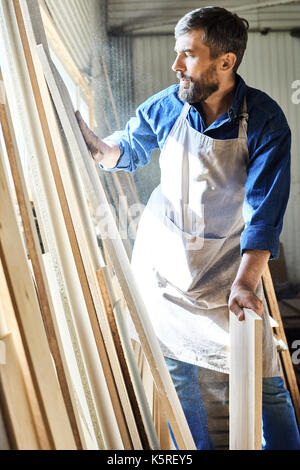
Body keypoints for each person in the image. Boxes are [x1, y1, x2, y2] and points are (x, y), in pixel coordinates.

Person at [76, 6, 300, 450]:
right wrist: (96, 146)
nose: (176, 65)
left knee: (264, 374)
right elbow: (129, 147)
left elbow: (264, 211)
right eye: (177, 53)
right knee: (176, 372)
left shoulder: (265, 120)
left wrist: (244, 283)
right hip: (165, 266)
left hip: (226, 270)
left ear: (225, 61)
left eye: (187, 54)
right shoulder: (171, 103)